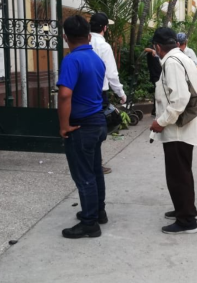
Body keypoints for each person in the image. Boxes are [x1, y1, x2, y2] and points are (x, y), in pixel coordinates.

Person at [57, 15, 107, 239]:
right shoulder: (97, 58)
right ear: (88, 36)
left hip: (81, 125)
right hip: (97, 121)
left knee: (84, 175)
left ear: (66, 37)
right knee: (95, 170)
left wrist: (64, 126)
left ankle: (89, 223)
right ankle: (98, 211)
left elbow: (65, 94)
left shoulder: (71, 60)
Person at [150, 27, 197, 234]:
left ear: (158, 46)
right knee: (182, 172)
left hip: (177, 129)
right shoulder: (182, 58)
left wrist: (161, 122)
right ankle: (186, 209)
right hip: (183, 127)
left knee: (177, 175)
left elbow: (180, 98)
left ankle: (187, 220)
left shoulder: (171, 62)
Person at [89, 12, 126, 175]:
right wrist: (121, 93)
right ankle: (95, 163)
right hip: (99, 93)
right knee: (98, 130)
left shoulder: (83, 41)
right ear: (105, 28)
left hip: (82, 92)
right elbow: (111, 74)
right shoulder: (104, 47)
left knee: (86, 128)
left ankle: (89, 161)